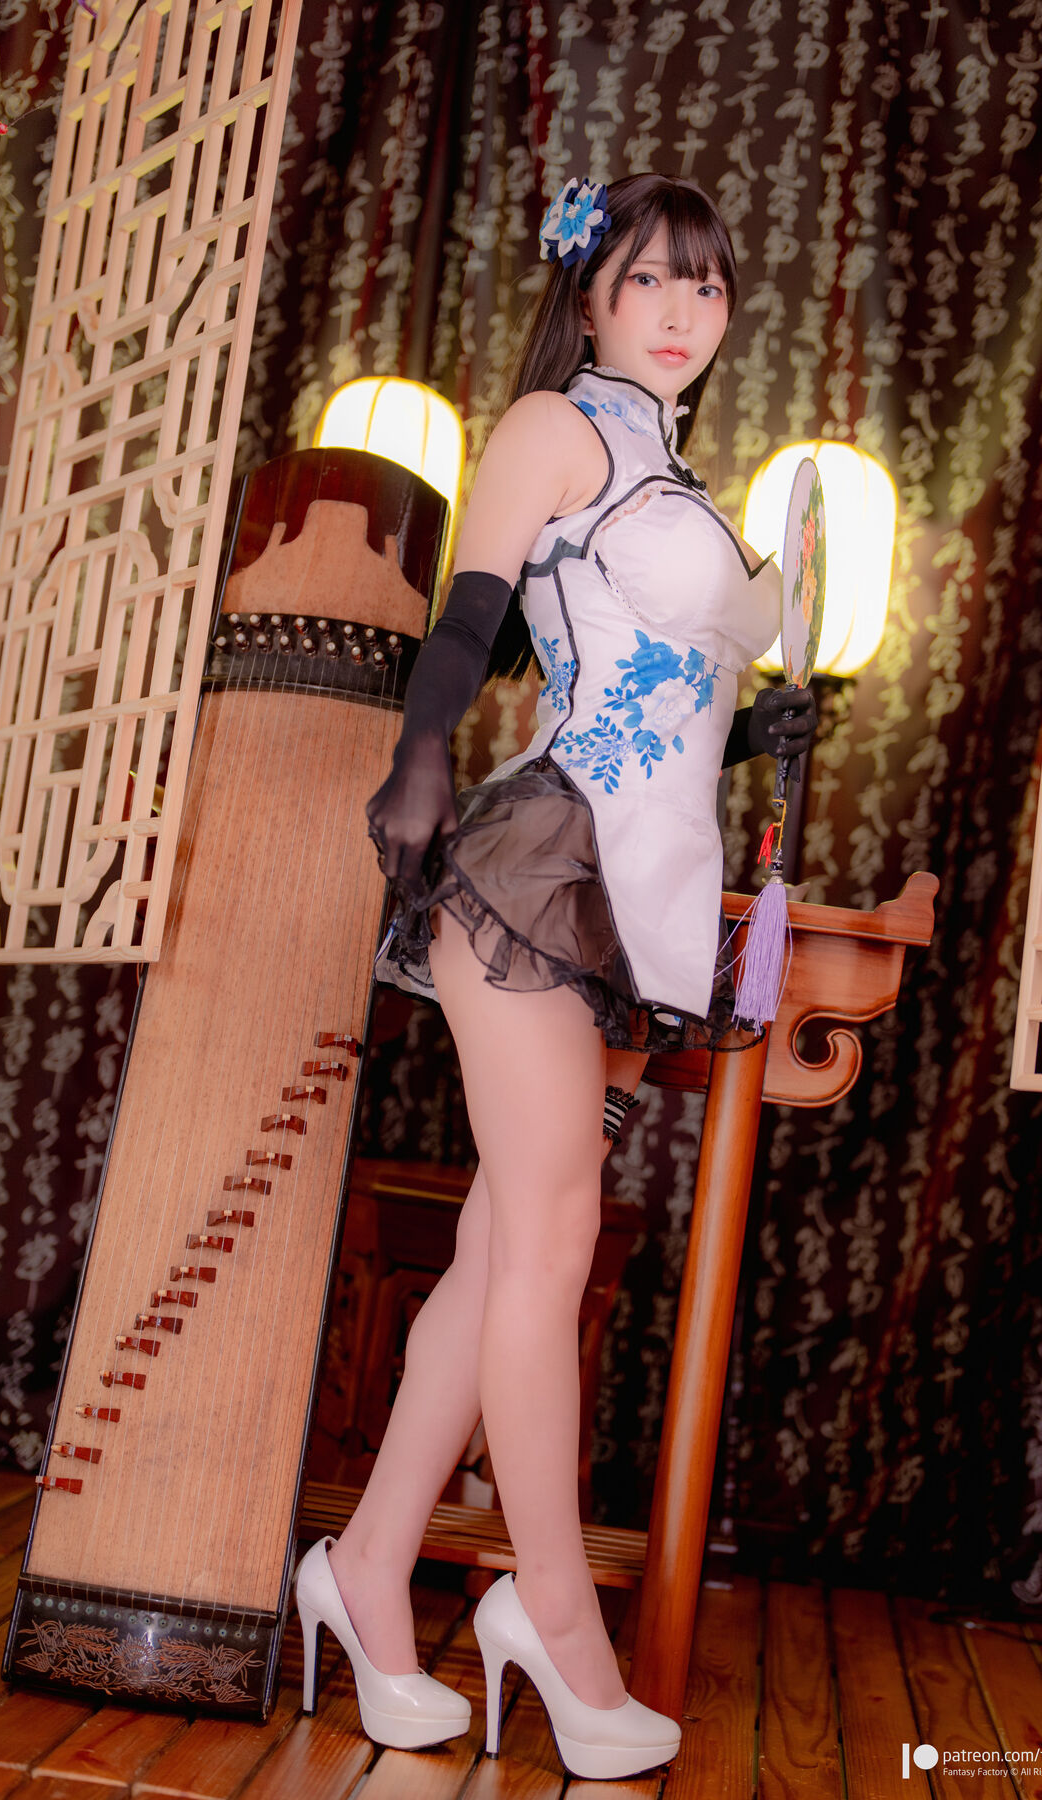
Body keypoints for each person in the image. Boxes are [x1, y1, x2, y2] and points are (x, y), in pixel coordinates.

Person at [294, 172, 817, 1782]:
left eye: (707, 287)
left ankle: (364, 1571)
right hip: (536, 864)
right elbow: (470, 620)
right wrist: (422, 752)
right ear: (589, 295)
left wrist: (759, 721)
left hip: (632, 893)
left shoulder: (678, 479)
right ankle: (560, 1623)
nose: (681, 310)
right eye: (650, 278)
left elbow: (670, 690)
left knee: (499, 1251)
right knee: (554, 1242)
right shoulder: (554, 427)